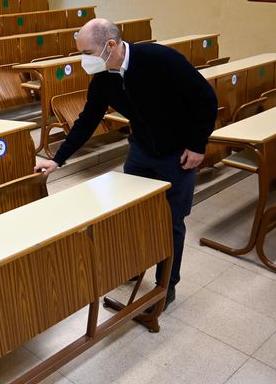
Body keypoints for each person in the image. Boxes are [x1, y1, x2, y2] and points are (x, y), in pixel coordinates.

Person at [34, 18, 218, 309]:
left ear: (111, 45)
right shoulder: (104, 78)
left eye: (88, 53)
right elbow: (87, 120)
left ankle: (166, 284)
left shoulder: (160, 60)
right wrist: (57, 158)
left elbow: (206, 99)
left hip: (178, 155)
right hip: (141, 152)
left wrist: (197, 146)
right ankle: (134, 266)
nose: (84, 61)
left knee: (171, 221)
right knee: (131, 214)